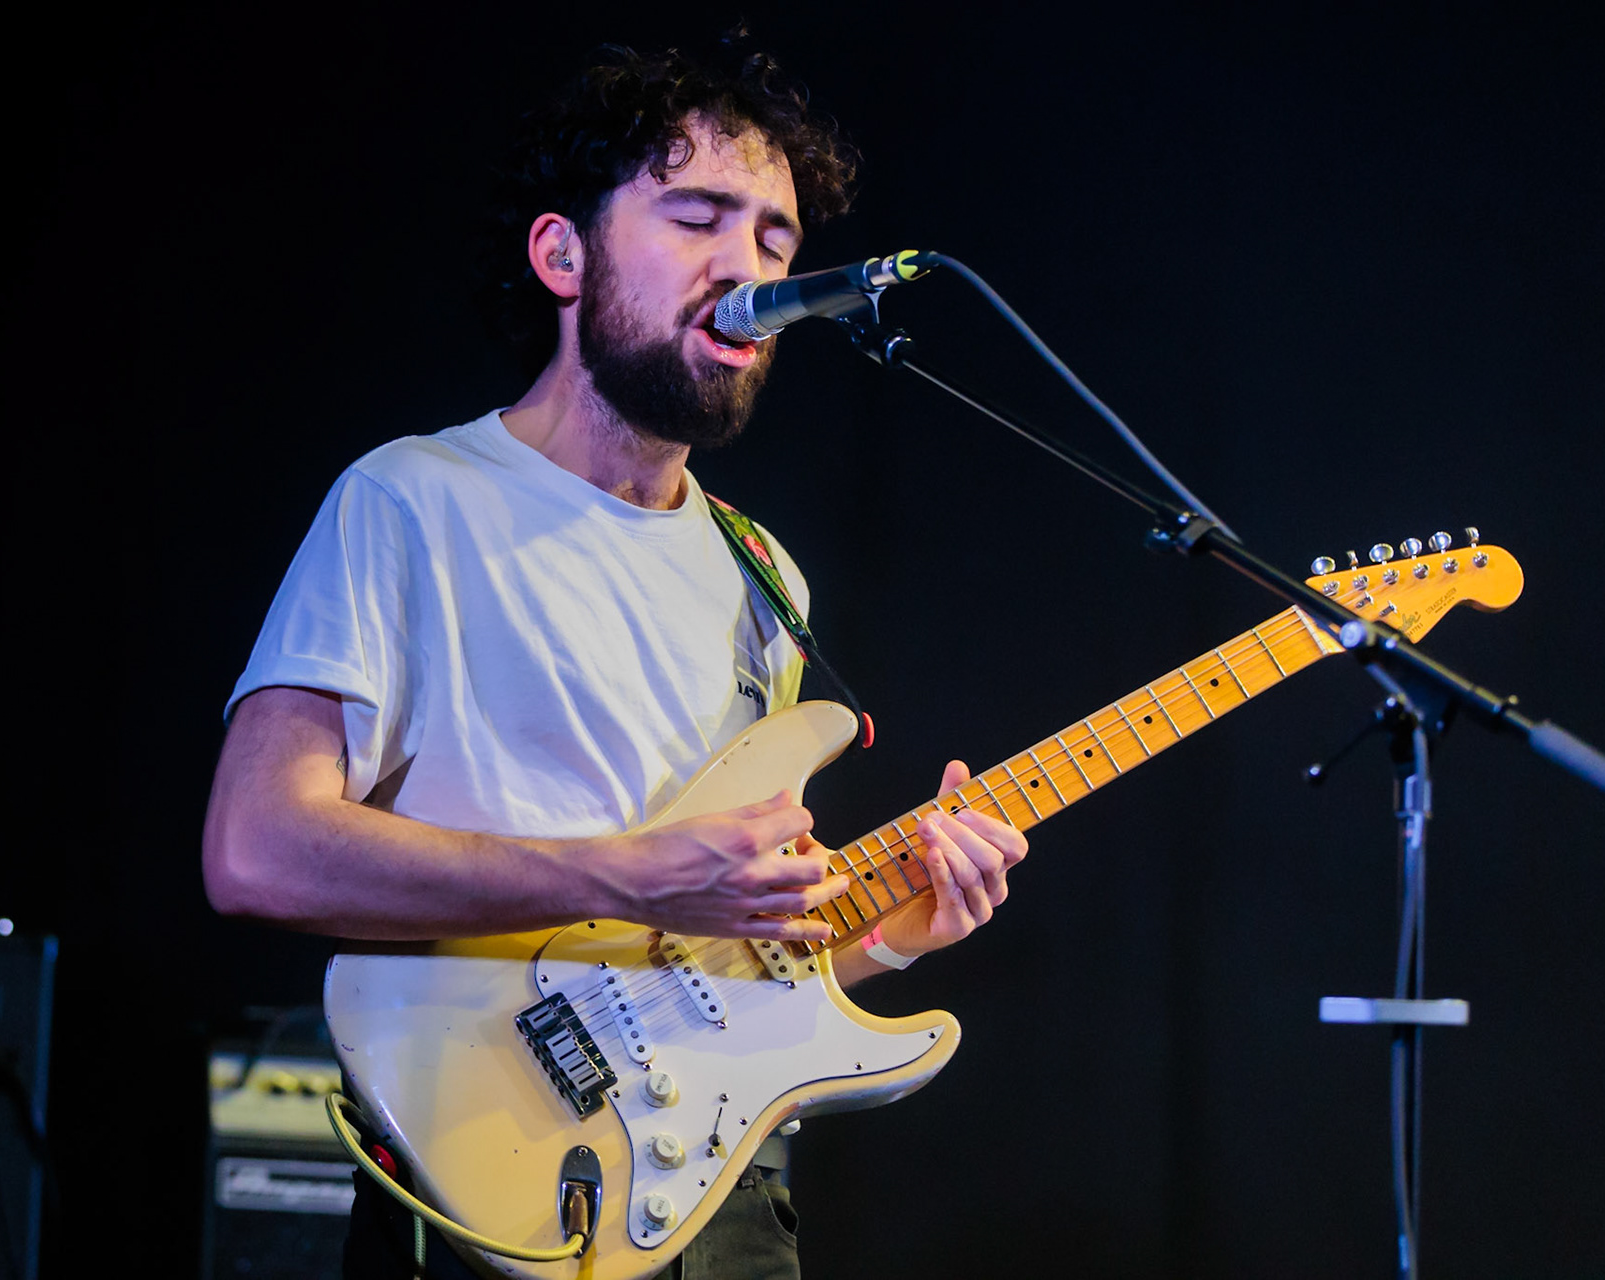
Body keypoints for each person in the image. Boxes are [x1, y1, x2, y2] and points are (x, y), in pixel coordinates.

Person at [202, 42, 1028, 1279]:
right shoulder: (413, 499)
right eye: (698, 216)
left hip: (725, 1199)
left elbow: (714, 968)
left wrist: (888, 933)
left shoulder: (766, 574)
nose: (748, 266)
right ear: (563, 255)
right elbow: (255, 848)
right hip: (487, 1173)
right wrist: (637, 872)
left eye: (776, 238)